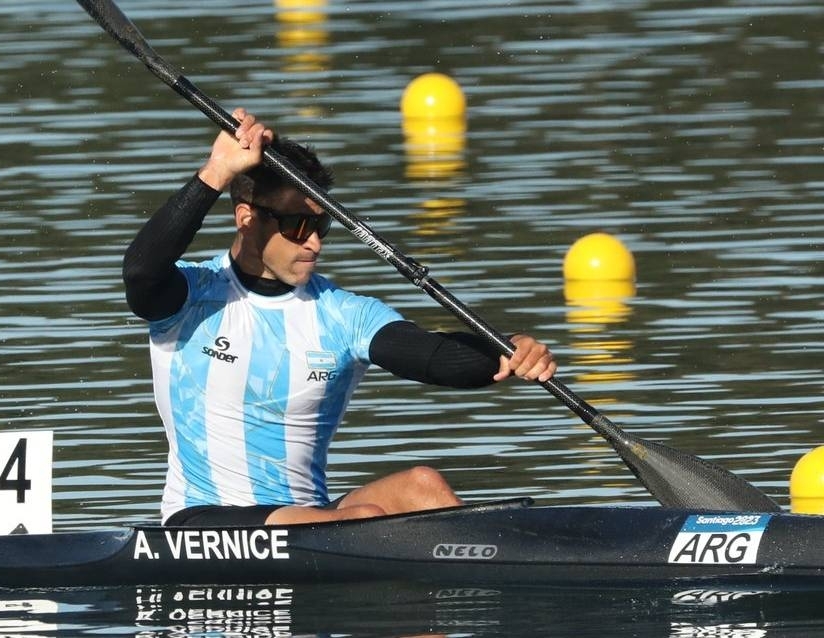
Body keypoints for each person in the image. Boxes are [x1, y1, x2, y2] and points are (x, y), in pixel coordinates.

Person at [123, 108, 557, 527]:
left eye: (321, 226)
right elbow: (141, 271)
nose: (314, 244)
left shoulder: (342, 314)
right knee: (364, 522)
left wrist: (507, 350)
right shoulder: (190, 296)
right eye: (298, 226)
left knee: (423, 486)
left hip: (316, 523)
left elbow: (435, 358)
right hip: (201, 522)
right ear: (246, 220)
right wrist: (217, 171)